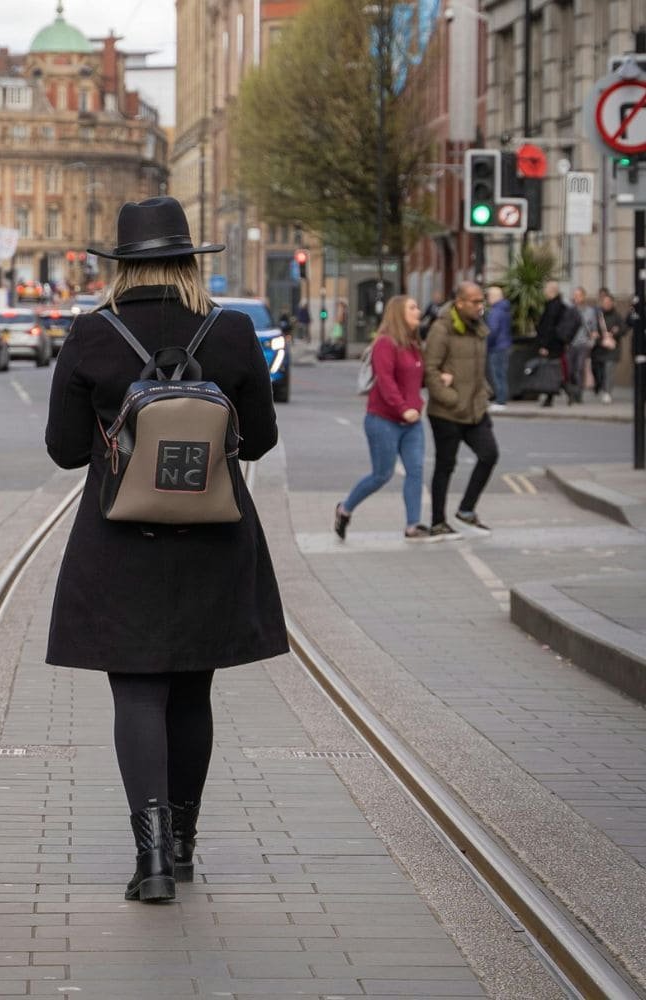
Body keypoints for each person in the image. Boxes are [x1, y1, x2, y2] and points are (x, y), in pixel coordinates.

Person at [44, 197, 288, 904]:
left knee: (138, 693)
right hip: (215, 536)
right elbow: (262, 440)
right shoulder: (233, 330)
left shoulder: (93, 334)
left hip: (121, 539)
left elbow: (63, 451)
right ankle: (182, 847)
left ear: (122, 267)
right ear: (190, 261)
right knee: (193, 692)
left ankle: (149, 863)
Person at [333, 295, 429, 541]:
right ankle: (344, 509)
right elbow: (385, 382)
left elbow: (418, 381)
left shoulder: (414, 344)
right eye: (413, 307)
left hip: (412, 422)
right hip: (383, 420)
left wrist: (419, 402)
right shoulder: (384, 344)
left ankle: (412, 526)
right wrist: (402, 408)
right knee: (382, 475)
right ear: (398, 313)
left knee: (416, 471)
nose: (418, 311)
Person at [424, 281, 498, 538]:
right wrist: (450, 397)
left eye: (482, 301)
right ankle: (437, 522)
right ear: (460, 302)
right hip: (447, 411)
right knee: (445, 465)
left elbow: (478, 367)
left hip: (475, 408)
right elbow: (430, 369)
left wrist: (485, 391)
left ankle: (466, 510)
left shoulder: (478, 327)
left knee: (489, 454)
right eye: (475, 301)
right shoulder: (442, 329)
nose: (480, 306)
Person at [534, 280, 573, 407]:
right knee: (555, 370)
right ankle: (567, 392)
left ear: (552, 291)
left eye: (546, 289)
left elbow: (548, 327)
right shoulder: (559, 305)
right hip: (557, 343)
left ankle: (552, 397)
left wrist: (544, 345)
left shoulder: (553, 307)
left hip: (552, 344)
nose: (544, 291)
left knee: (552, 370)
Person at [591, 289, 626, 404]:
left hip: (612, 349)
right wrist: (597, 335)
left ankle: (607, 392)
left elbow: (624, 329)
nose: (606, 305)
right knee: (600, 371)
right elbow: (592, 329)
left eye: (608, 302)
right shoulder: (598, 316)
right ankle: (602, 388)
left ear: (612, 303)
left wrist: (615, 332)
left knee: (609, 370)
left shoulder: (617, 316)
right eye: (604, 303)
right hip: (600, 348)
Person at [484, 286, 513, 411]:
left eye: (489, 296)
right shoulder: (505, 309)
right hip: (504, 345)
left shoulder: (495, 311)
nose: (488, 299)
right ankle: (501, 399)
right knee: (501, 373)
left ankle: (500, 401)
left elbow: (492, 331)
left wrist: (487, 344)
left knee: (497, 374)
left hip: (496, 347)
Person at [568, 286, 596, 403]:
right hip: (570, 343)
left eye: (579, 295)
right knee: (570, 370)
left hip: (583, 344)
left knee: (579, 369)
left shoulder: (590, 311)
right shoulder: (570, 310)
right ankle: (572, 392)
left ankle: (578, 394)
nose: (577, 298)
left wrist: (591, 342)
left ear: (584, 297)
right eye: (575, 296)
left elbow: (593, 328)